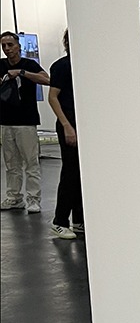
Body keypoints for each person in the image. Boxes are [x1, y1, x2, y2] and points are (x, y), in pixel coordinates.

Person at [0, 31, 50, 213]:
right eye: (4, 45)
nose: (7, 49)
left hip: (26, 122)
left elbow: (47, 79)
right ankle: (14, 197)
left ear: (18, 46)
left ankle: (33, 199)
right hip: (6, 122)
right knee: (11, 164)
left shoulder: (29, 64)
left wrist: (22, 73)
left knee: (30, 163)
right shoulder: (0, 65)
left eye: (10, 45)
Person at [47, 29, 84, 239]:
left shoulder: (83, 64)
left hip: (81, 121)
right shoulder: (62, 66)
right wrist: (67, 125)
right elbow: (53, 97)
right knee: (70, 173)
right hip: (68, 120)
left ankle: (78, 220)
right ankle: (60, 221)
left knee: (81, 173)